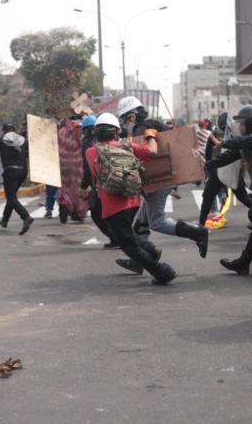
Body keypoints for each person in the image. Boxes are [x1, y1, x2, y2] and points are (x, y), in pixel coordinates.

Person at [85, 112, 176, 285]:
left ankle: (162, 272)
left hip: (113, 206)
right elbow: (152, 151)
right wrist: (150, 134)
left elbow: (94, 175)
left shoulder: (90, 152)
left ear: (96, 133)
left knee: (129, 246)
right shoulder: (128, 146)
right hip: (133, 200)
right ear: (117, 132)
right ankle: (152, 251)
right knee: (129, 236)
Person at [119, 96, 210, 260]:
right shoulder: (154, 123)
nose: (125, 125)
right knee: (141, 225)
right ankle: (143, 259)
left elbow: (144, 156)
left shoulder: (140, 129)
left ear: (131, 116)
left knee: (157, 222)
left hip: (157, 180)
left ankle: (198, 233)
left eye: (124, 120)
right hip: (166, 176)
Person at [206, 104, 252, 275]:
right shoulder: (249, 140)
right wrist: (205, 165)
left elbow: (244, 141)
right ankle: (244, 262)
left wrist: (224, 142)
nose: (239, 127)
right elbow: (227, 157)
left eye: (242, 123)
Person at [197, 112, 252, 226]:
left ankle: (201, 224)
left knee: (208, 196)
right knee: (242, 196)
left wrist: (208, 166)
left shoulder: (216, 135)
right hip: (232, 168)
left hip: (219, 169)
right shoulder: (237, 135)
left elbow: (209, 155)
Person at [80, 114, 118, 248]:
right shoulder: (105, 139)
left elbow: (87, 167)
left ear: (85, 130)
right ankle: (118, 238)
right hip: (113, 179)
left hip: (98, 183)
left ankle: (116, 239)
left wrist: (84, 185)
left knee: (96, 213)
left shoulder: (86, 144)